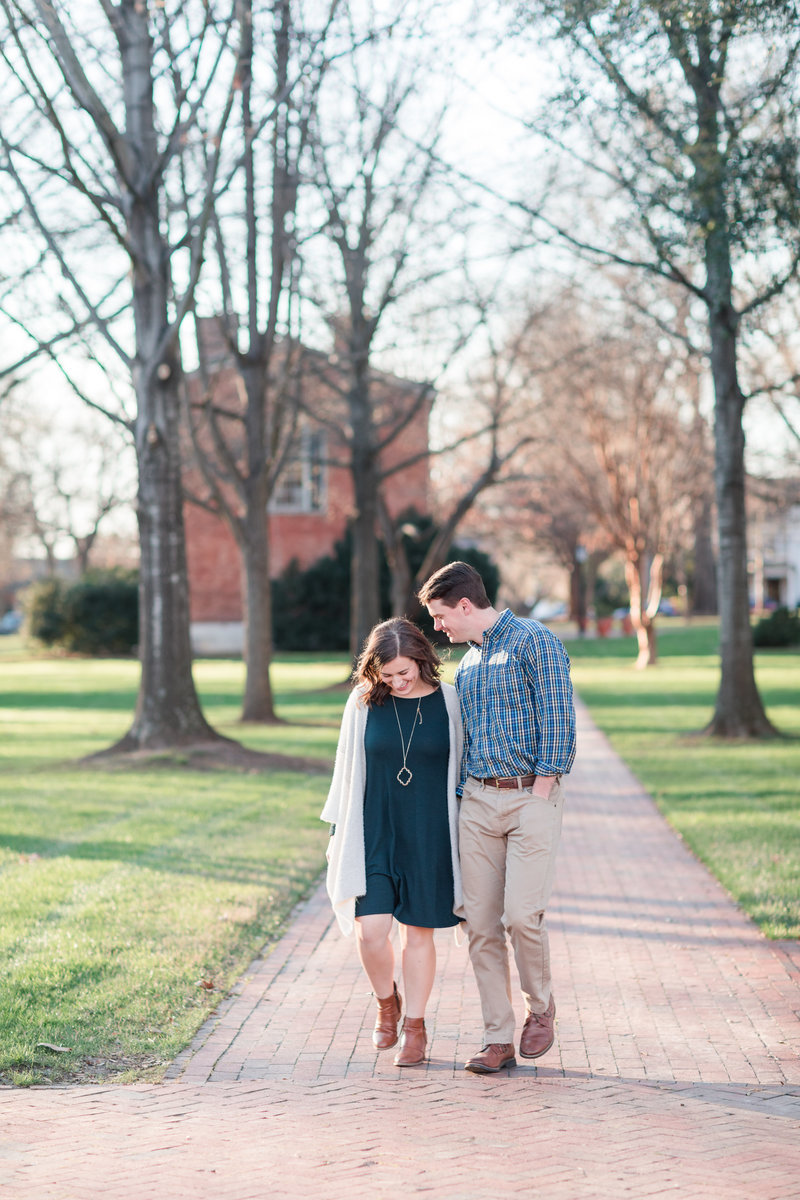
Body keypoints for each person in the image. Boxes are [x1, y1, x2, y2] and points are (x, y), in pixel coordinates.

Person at [418, 561, 576, 1075]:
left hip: (531, 795)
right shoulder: (468, 665)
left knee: (521, 917)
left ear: (465, 605)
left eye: (441, 617)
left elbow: (558, 715)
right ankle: (497, 1038)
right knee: (479, 924)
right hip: (478, 804)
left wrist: (543, 787)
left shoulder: (534, 640)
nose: (439, 628)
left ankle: (542, 1008)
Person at [321, 617, 464, 1067]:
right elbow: (345, 772)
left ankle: (416, 1029)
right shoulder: (363, 702)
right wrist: (339, 831)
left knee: (418, 935)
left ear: (423, 658)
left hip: (429, 833)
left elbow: (461, 767)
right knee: (372, 931)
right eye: (388, 676)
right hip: (375, 830)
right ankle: (387, 1004)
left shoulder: (449, 700)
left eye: (406, 672)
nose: (399, 683)